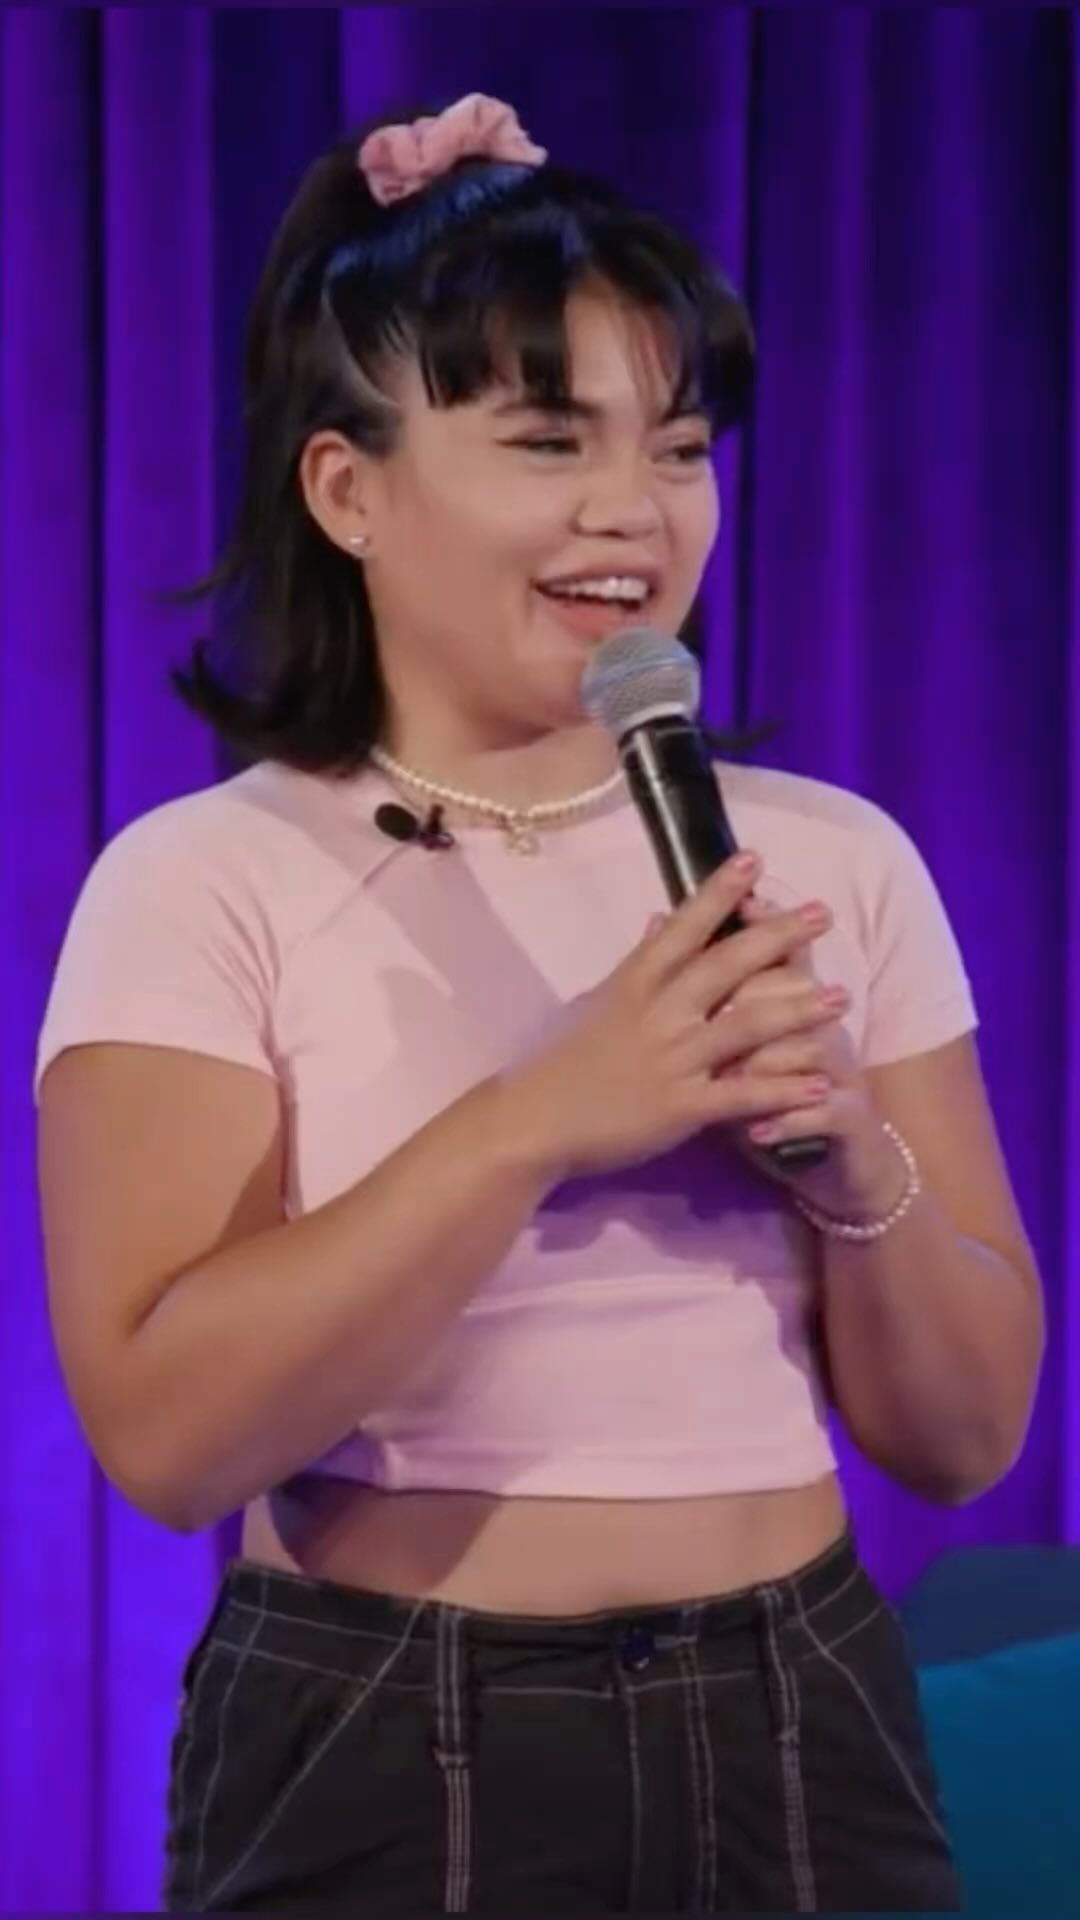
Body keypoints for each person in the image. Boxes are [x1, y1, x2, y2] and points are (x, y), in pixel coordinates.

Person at [36, 93, 1044, 1915]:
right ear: (347, 491)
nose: (632, 512)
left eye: (680, 447)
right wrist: (536, 1121)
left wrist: (850, 1167)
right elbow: (169, 1441)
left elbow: (969, 1441)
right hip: (385, 1730)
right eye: (546, 441)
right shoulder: (204, 878)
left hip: (803, 1708)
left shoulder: (838, 858)